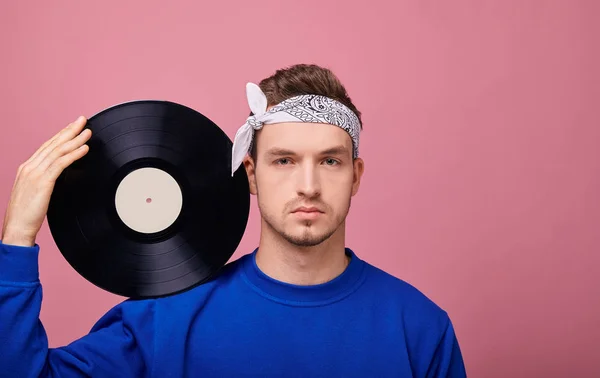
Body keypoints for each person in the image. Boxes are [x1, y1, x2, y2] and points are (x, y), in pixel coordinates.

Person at [0, 64, 467, 377]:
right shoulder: (164, 320)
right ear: (251, 173)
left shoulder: (420, 328)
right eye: (284, 160)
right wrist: (17, 238)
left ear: (356, 174)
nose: (308, 185)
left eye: (330, 161)